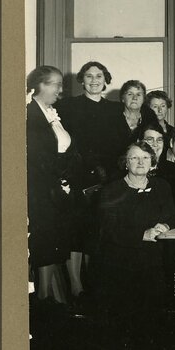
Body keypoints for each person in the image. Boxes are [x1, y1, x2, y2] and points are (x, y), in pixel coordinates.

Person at [54, 60, 122, 299]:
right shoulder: (68, 105)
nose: (94, 80)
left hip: (105, 179)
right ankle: (75, 286)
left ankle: (93, 283)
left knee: (98, 230)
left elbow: (121, 145)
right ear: (82, 80)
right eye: (90, 76)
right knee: (77, 231)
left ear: (106, 81)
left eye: (99, 76)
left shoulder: (114, 109)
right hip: (77, 176)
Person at [92, 142, 175, 317]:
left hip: (155, 261)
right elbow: (108, 229)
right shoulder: (111, 191)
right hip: (121, 263)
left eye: (146, 158)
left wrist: (166, 225)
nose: (141, 162)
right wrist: (143, 234)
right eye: (134, 158)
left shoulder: (162, 186)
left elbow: (173, 215)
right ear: (125, 162)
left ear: (152, 162)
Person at [26, 66, 78, 305]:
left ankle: (56, 302)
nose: (60, 89)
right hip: (41, 190)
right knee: (46, 242)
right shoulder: (30, 115)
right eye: (55, 84)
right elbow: (38, 158)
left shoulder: (52, 113)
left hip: (56, 188)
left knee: (56, 242)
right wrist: (60, 178)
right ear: (40, 86)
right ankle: (45, 301)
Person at [115, 79, 157, 151]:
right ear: (122, 98)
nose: (134, 98)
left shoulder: (151, 121)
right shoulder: (112, 120)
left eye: (138, 94)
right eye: (130, 94)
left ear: (143, 99)